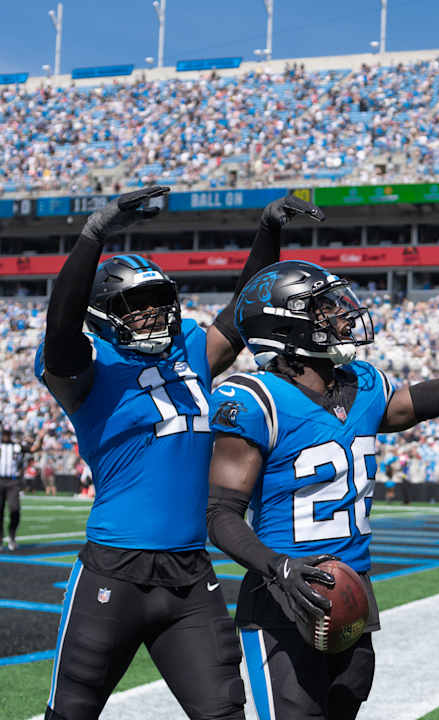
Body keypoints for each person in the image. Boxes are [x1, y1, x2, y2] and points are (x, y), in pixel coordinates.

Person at [204, 260, 439, 720]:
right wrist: (279, 567)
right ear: (285, 328)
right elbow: (220, 514)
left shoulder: (362, 386)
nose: (341, 315)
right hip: (283, 596)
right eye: (323, 309)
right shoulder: (254, 399)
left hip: (353, 591)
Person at [35, 188, 323, 720]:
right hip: (114, 569)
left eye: (158, 300)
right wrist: (93, 236)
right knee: (70, 713)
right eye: (136, 305)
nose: (153, 313)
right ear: (103, 314)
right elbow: (61, 329)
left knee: (223, 713)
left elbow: (240, 315)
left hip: (190, 574)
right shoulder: (87, 370)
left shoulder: (189, 346)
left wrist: (267, 231)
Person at [0, 428, 29, 550]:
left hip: (13, 482)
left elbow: (33, 449)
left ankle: (12, 536)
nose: (6, 436)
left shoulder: (17, 447)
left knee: (15, 509)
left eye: (8, 434)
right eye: (4, 434)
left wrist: (40, 437)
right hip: (0, 480)